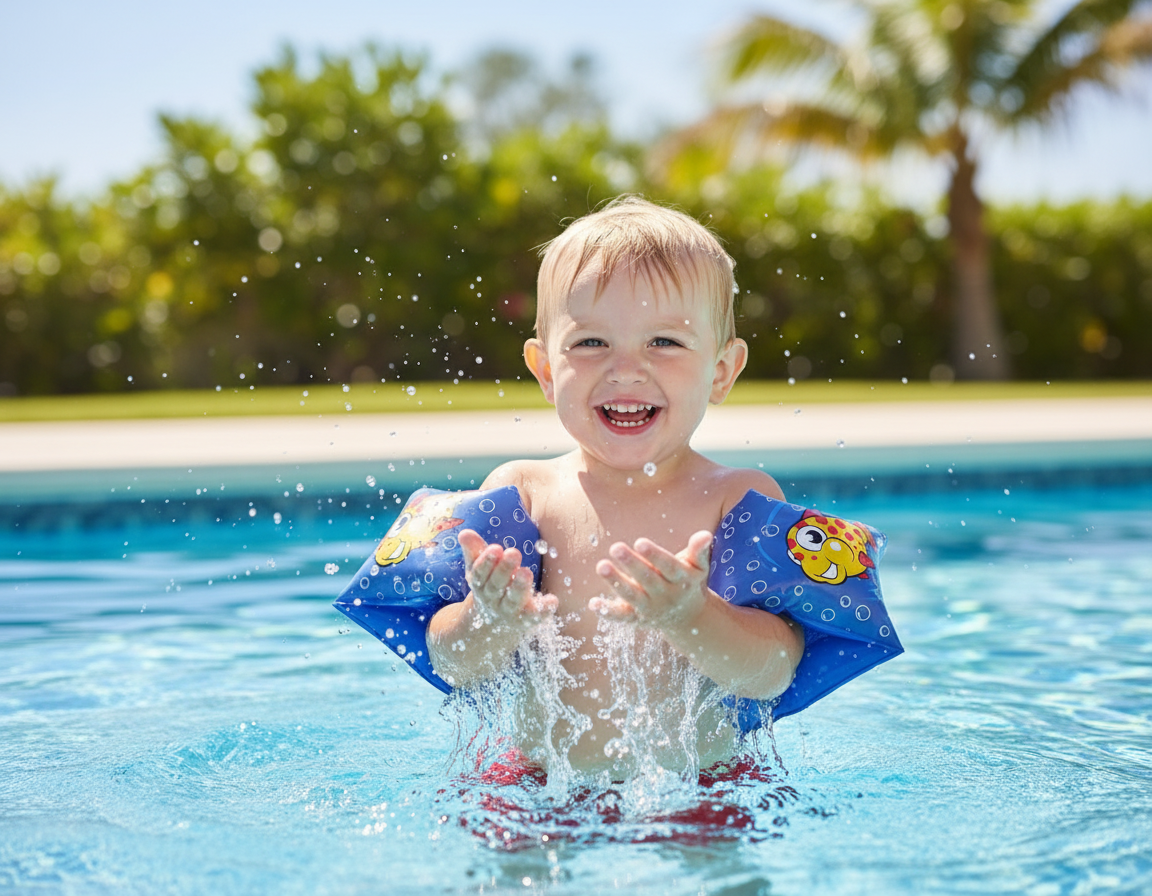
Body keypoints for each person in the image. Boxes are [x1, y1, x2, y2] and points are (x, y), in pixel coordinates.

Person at [427, 196, 804, 773]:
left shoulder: (739, 498)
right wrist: (488, 620)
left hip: (701, 784)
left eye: (665, 342)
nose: (626, 368)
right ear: (546, 372)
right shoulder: (522, 493)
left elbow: (774, 671)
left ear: (722, 371)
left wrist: (691, 615)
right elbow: (451, 665)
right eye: (591, 342)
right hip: (539, 781)